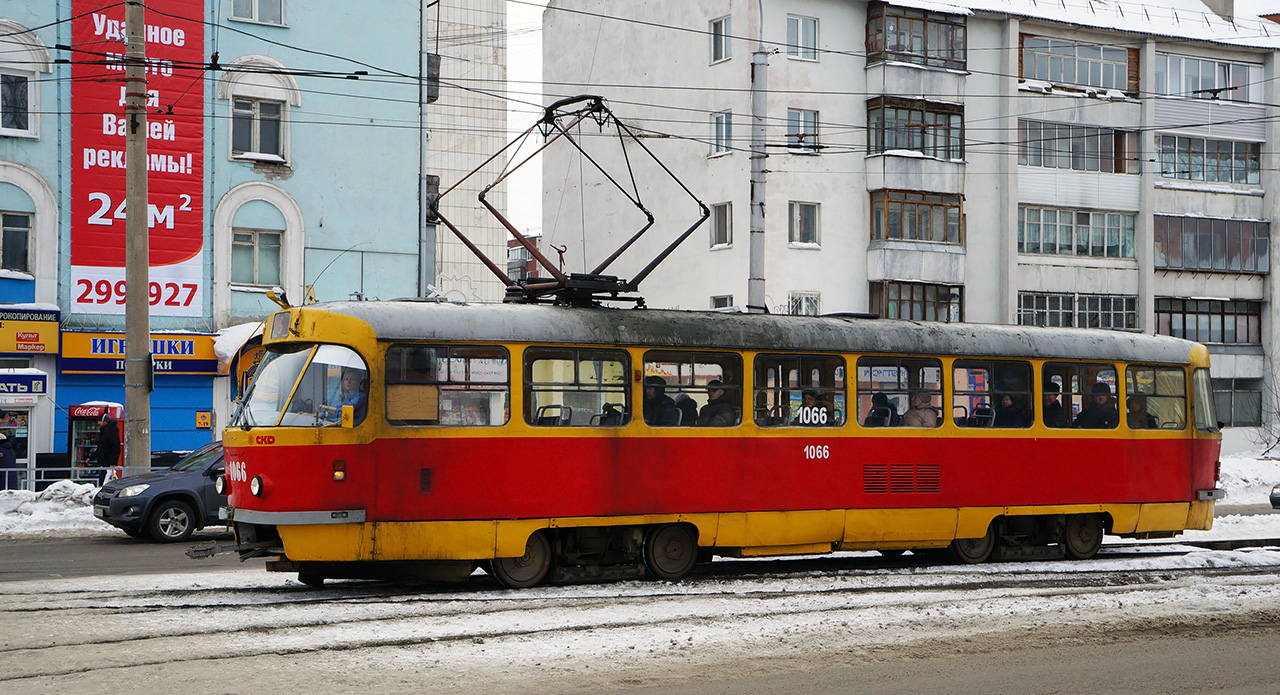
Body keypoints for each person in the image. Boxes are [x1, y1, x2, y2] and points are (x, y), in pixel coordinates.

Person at [90, 413, 121, 486]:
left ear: (105, 421)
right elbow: (101, 448)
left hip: (108, 463)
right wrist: (91, 458)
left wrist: (113, 462)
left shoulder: (111, 431)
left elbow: (115, 447)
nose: (98, 423)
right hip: (104, 463)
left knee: (104, 481)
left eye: (100, 421)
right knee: (104, 480)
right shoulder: (104, 431)